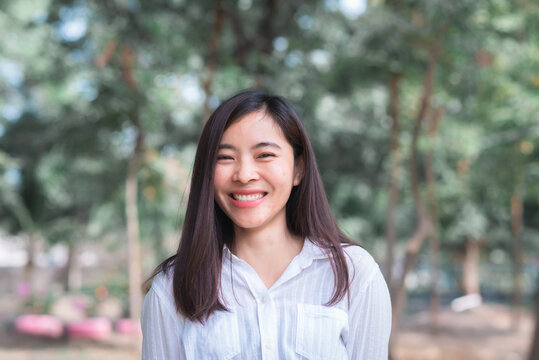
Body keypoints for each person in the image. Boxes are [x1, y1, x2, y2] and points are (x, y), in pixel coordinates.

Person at [141, 90, 392, 359]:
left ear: (299, 168)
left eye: (264, 155)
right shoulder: (172, 287)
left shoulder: (354, 273)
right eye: (225, 158)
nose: (244, 175)